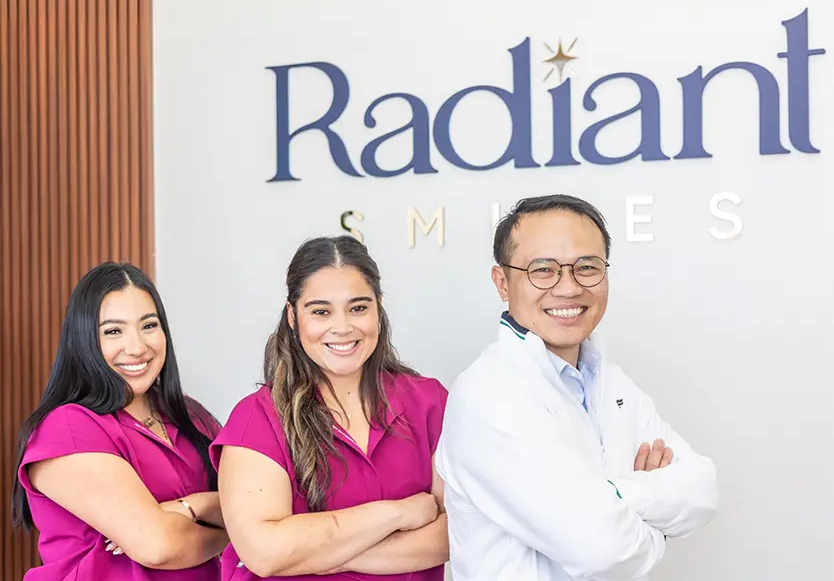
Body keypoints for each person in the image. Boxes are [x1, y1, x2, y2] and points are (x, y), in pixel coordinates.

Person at [436, 194, 720, 580]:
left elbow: (702, 490)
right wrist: (657, 526)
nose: (568, 288)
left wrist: (616, 496)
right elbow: (601, 550)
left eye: (587, 267)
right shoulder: (489, 393)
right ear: (502, 283)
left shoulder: (611, 382)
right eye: (543, 270)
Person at [211, 236, 448, 579]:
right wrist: (398, 514)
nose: (342, 327)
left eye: (358, 308)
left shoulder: (429, 402)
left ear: (378, 308)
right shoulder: (257, 419)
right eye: (321, 311)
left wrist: (324, 554)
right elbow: (264, 553)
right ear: (293, 316)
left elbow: (453, 534)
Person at [10, 262, 228, 580]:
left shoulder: (192, 417)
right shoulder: (67, 428)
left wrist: (190, 506)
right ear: (85, 340)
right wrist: (230, 529)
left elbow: (257, 506)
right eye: (113, 331)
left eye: (149, 326)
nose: (137, 347)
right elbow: (157, 545)